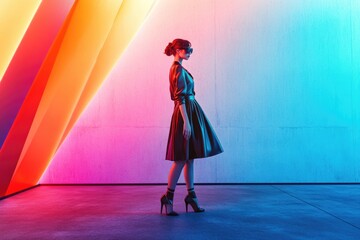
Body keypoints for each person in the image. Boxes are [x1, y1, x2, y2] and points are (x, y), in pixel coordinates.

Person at [161, 38, 223, 216]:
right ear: (178, 50)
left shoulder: (179, 69)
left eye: (191, 50)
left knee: (190, 158)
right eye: (187, 50)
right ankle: (168, 197)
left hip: (189, 112)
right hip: (185, 115)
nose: (189, 53)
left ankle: (191, 196)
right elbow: (179, 97)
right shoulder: (177, 70)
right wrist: (187, 122)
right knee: (181, 158)